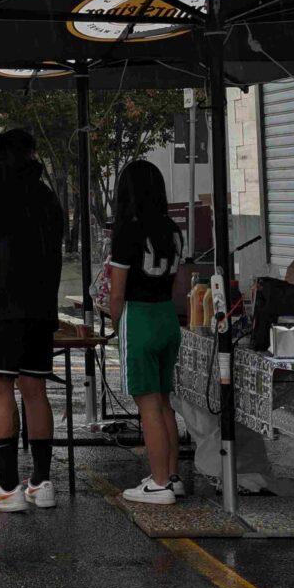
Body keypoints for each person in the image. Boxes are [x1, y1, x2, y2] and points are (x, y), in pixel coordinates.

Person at [0, 128, 66, 512]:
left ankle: (6, 486)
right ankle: (41, 482)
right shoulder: (45, 195)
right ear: (32, 154)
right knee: (35, 389)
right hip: (40, 309)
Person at [104, 160, 183, 505]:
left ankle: (159, 483)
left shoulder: (127, 231)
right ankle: (172, 475)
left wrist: (113, 321)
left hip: (139, 317)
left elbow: (117, 292)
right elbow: (179, 283)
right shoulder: (173, 228)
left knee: (147, 404)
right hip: (167, 315)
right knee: (164, 401)